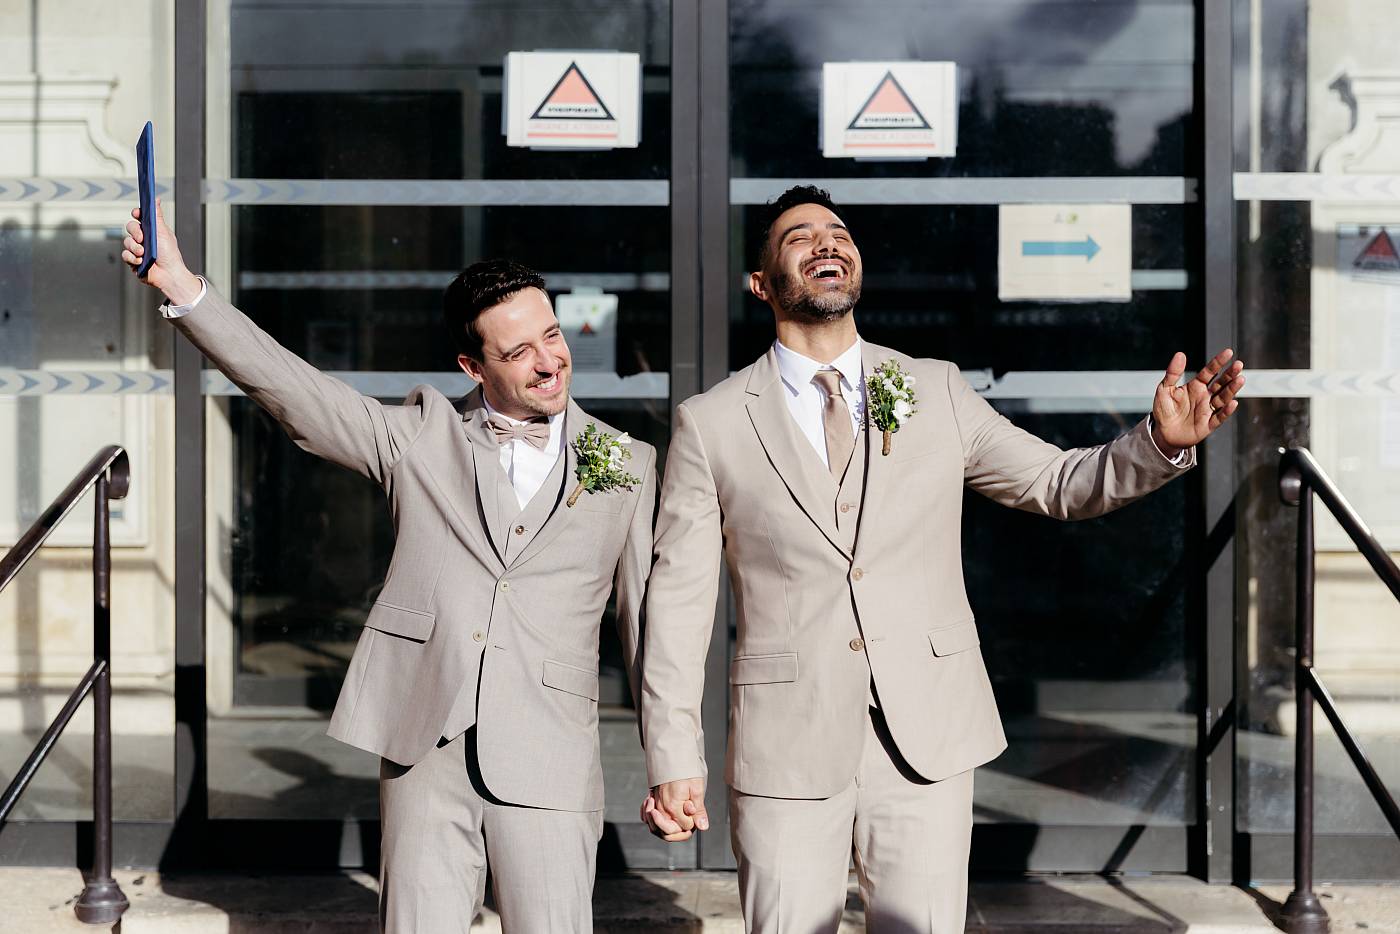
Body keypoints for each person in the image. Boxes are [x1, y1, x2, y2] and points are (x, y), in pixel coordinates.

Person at [638, 185, 1244, 933]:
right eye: (800, 237)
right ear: (761, 284)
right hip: (784, 744)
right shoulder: (713, 424)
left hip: (924, 736)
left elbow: (1056, 482)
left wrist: (1159, 446)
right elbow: (676, 603)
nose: (827, 242)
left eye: (838, 231)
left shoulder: (934, 389)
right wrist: (673, 753)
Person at [123, 201, 657, 933]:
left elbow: (649, 626)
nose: (548, 361)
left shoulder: (626, 465)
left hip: (551, 752)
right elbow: (299, 393)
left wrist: (673, 762)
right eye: (518, 352)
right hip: (425, 748)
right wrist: (184, 287)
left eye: (552, 336)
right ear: (472, 366)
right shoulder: (417, 439)